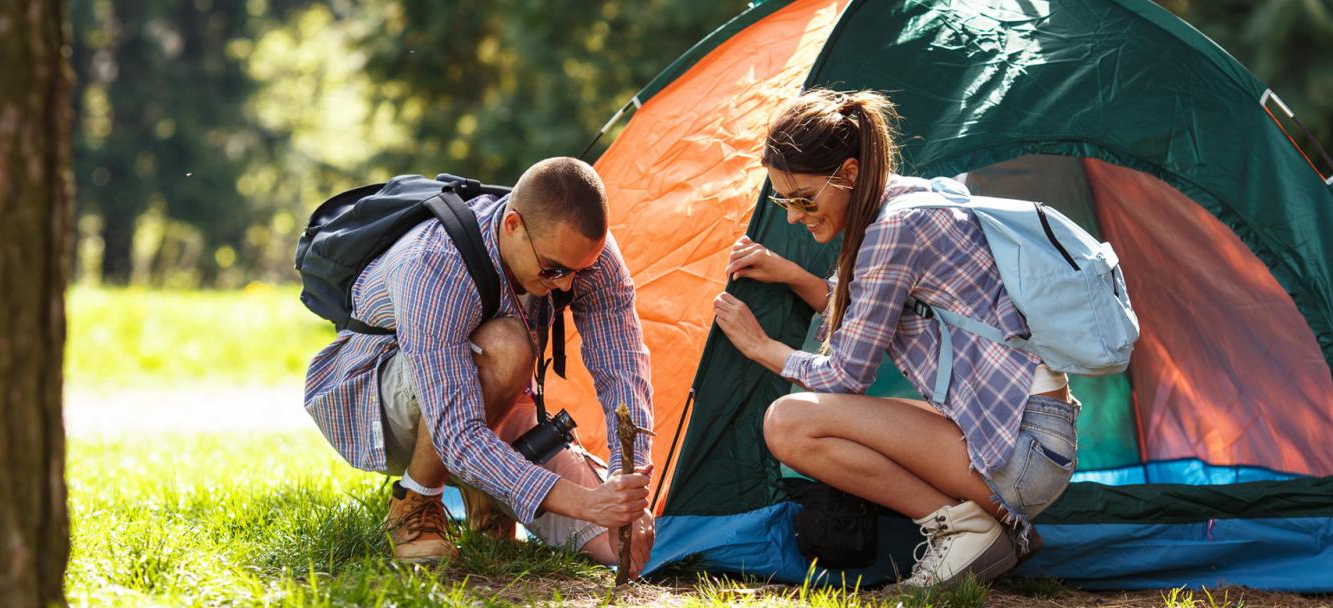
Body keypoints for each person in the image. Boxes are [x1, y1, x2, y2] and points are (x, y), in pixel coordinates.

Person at [712, 90, 1079, 587]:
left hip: (1024, 452)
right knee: (872, 415)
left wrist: (762, 348)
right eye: (783, 199)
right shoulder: (911, 198)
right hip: (1034, 434)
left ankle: (964, 530)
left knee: (789, 423)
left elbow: (847, 374)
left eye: (801, 198)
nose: (794, 215)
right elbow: (869, 310)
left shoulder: (893, 230)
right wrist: (795, 276)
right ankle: (1002, 527)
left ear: (847, 173)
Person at [303, 156, 656, 577]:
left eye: (578, 271)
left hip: (491, 405)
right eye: (555, 270)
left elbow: (623, 368)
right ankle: (415, 504)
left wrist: (626, 479)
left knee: (626, 547)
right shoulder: (433, 263)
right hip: (383, 402)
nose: (566, 285)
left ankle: (486, 493)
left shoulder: (583, 257)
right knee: (507, 347)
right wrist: (586, 503)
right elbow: (456, 433)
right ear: (513, 226)